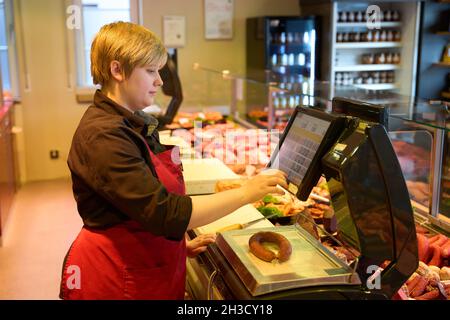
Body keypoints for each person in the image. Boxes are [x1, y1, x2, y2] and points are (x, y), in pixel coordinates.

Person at [59, 21, 287, 300]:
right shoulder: (103, 136)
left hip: (147, 262)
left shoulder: (131, 120)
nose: (160, 81)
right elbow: (164, 212)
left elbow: (137, 204)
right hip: (118, 277)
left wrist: (175, 247)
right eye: (151, 71)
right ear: (117, 70)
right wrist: (246, 192)